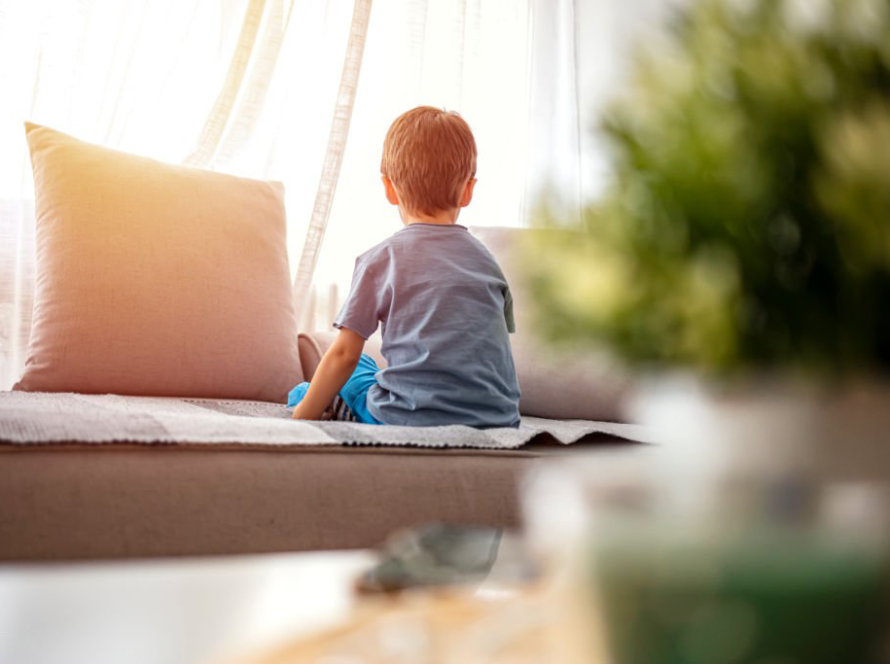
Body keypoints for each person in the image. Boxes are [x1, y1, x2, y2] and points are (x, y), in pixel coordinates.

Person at [289, 106, 520, 428]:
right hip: (497, 421)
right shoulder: (488, 262)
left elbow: (343, 355)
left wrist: (299, 423)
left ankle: (325, 406)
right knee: (374, 368)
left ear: (388, 188)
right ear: (468, 190)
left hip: (408, 420)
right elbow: (492, 347)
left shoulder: (382, 259)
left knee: (330, 380)